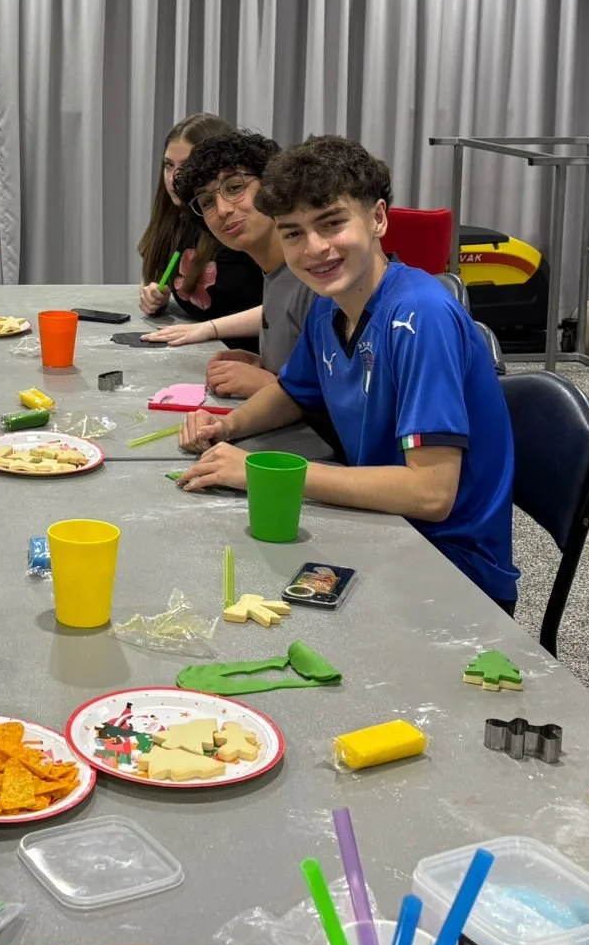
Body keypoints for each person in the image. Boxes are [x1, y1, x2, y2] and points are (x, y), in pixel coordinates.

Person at [177, 136, 518, 609]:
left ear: (377, 218)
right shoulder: (328, 305)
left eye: (332, 223)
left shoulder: (420, 316)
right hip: (381, 525)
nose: (315, 248)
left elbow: (430, 493)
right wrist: (226, 427)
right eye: (293, 232)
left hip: (450, 568)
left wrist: (263, 473)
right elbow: (293, 392)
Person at [141, 130, 312, 401]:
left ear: (271, 187)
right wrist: (266, 369)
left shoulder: (316, 274)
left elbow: (353, 398)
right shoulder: (275, 275)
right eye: (207, 202)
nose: (222, 210)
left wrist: (273, 384)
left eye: (234, 188)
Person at [137, 113, 260, 347]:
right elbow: (153, 267)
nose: (174, 178)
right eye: (168, 165)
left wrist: (209, 329)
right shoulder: (175, 219)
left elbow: (289, 306)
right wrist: (152, 293)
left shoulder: (239, 224)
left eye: (187, 166)